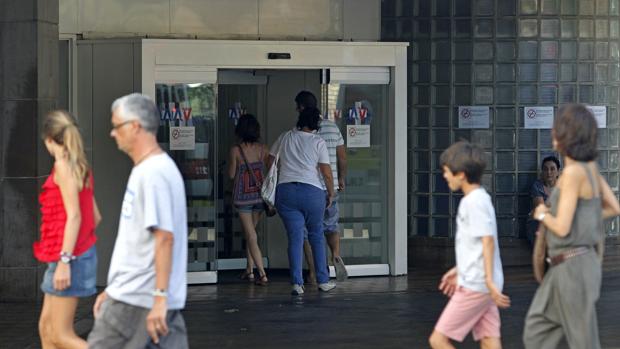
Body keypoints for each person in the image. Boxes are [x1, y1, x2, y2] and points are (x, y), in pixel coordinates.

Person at [88, 93, 189, 348]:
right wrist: (112, 290)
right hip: (138, 296)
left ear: (135, 126)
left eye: (117, 126)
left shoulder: (153, 173)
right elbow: (138, 244)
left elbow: (164, 237)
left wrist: (159, 298)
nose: (112, 133)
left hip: (136, 301)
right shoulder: (151, 169)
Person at [523, 104, 620, 348]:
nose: (553, 132)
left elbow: (562, 227)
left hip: (572, 266)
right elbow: (613, 207)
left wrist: (543, 214)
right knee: (539, 332)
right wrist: (583, 221)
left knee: (579, 340)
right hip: (569, 265)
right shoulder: (588, 169)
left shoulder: (575, 173)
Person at [429, 141, 510, 349]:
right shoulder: (481, 199)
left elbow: (487, 241)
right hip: (483, 283)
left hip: (477, 284)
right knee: (489, 340)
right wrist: (460, 270)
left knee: (438, 340)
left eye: (447, 171)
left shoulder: (472, 202)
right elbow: (477, 246)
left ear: (461, 174)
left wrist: (488, 282)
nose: (445, 176)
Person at [35, 110, 101, 349]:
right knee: (46, 329)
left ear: (50, 139)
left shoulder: (63, 167)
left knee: (61, 335)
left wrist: (65, 260)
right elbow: (95, 216)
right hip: (68, 254)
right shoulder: (80, 166)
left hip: (68, 257)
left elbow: (75, 216)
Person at [268, 106, 337, 295]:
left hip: (286, 192)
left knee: (295, 238)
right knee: (316, 235)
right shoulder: (318, 142)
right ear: (316, 124)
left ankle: (297, 284)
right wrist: (330, 193)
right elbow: (326, 173)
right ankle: (322, 280)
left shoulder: (285, 137)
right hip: (312, 193)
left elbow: (270, 160)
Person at [294, 91, 348, 282]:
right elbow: (342, 156)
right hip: (331, 185)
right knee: (331, 224)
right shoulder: (333, 128)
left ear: (301, 107)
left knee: (308, 231)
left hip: (311, 187)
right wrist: (340, 178)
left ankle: (314, 271)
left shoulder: (302, 131)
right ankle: (335, 254)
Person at [228, 114, 269, 286]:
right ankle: (249, 270)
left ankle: (262, 273)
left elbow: (231, 175)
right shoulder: (263, 149)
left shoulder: (235, 151)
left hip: (243, 198)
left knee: (250, 235)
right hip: (259, 197)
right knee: (251, 232)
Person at [526, 156, 561, 246]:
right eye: (545, 169)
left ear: (558, 172)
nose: (549, 172)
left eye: (552, 169)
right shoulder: (537, 186)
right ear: (542, 172)